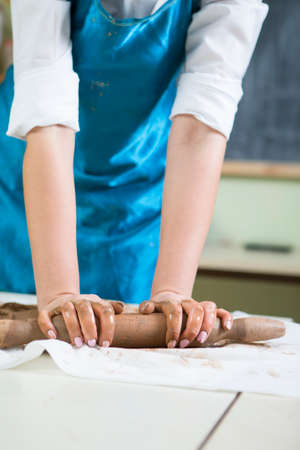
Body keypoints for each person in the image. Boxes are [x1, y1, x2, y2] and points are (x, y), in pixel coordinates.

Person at [0, 0, 268, 349]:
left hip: (135, 200)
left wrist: (172, 292)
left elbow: (200, 128)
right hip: (26, 187)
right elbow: (48, 121)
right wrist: (60, 295)